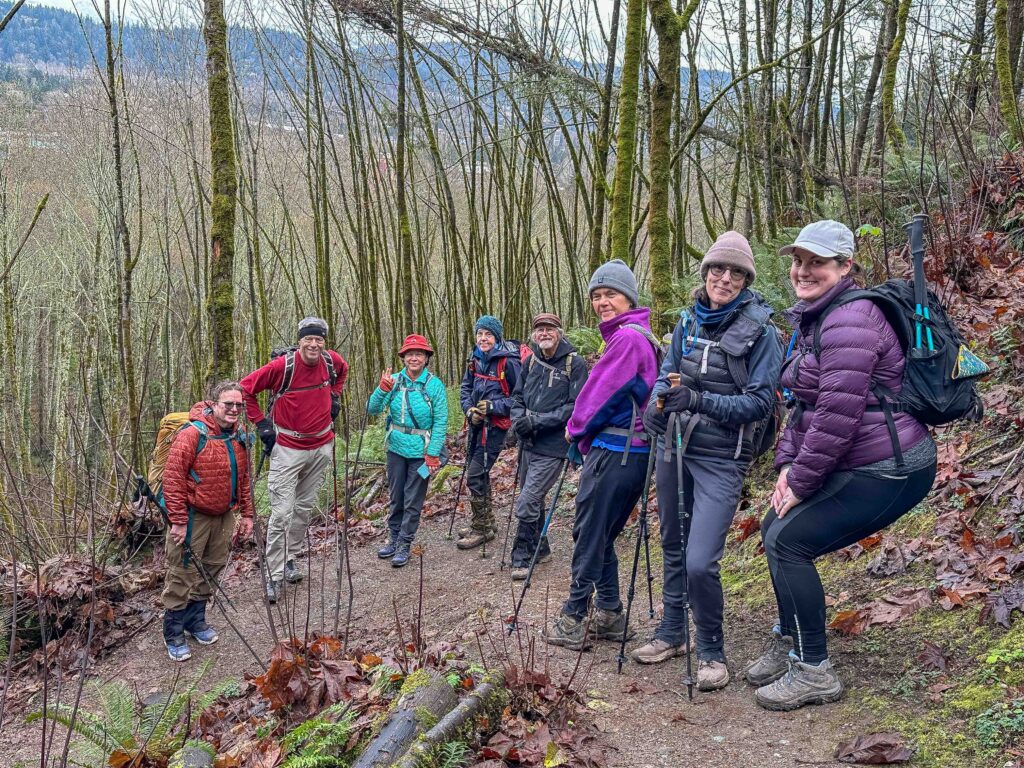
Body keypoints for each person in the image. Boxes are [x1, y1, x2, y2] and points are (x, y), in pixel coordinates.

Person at [749, 220, 937, 710]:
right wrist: (788, 467)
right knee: (774, 526)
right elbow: (805, 407)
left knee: (788, 542)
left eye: (817, 263)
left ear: (845, 266)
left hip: (892, 466)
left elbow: (837, 416)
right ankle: (790, 638)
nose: (802, 271)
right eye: (798, 261)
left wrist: (803, 481)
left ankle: (814, 670)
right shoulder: (817, 316)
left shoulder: (850, 321)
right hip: (859, 456)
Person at [637, 231, 783, 691]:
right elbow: (665, 378)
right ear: (706, 273)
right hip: (674, 448)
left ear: (745, 279)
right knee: (672, 545)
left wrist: (697, 401)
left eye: (735, 272)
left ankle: (713, 650)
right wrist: (655, 410)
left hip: (722, 458)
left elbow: (761, 403)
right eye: (717, 269)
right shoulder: (686, 321)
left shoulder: (762, 332)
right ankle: (672, 632)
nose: (724, 278)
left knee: (701, 559)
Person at [543, 259, 660, 650]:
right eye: (596, 295)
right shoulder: (637, 336)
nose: (602, 302)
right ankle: (610, 612)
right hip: (633, 453)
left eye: (611, 294)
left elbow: (600, 394)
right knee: (602, 532)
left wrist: (575, 429)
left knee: (590, 531)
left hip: (617, 451)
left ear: (629, 298)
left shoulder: (627, 339)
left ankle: (573, 616)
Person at [240, 316, 349, 603]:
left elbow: (343, 372)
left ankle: (289, 558)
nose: (314, 344)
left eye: (319, 339)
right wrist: (261, 423)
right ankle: (273, 576)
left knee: (302, 509)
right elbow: (245, 389)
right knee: (281, 514)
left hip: (322, 445)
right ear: (299, 341)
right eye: (308, 339)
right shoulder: (281, 367)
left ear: (324, 342)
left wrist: (334, 397)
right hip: (288, 447)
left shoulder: (331, 361)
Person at [161, 381, 255, 662]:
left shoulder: (239, 436)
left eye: (239, 405)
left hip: (224, 514)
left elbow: (246, 478)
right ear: (213, 404)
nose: (234, 409)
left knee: (212, 567)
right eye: (228, 404)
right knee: (182, 570)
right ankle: (173, 632)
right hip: (193, 516)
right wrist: (178, 520)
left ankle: (195, 621)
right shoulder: (192, 435)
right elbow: (173, 478)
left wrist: (248, 514)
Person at [508, 313, 588, 580]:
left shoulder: (574, 364)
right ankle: (541, 548)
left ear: (559, 332)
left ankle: (522, 554)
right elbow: (517, 396)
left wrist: (538, 421)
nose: (544, 333)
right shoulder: (530, 362)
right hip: (528, 442)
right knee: (533, 497)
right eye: (539, 330)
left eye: (549, 329)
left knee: (528, 498)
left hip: (554, 445)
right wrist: (519, 420)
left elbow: (575, 406)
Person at [367, 334, 449, 567]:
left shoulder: (434, 385)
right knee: (396, 497)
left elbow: (441, 421)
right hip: (395, 448)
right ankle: (393, 538)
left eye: (419, 354)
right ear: (403, 357)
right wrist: (382, 390)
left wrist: (433, 453)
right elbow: (372, 409)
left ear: (426, 358)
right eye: (410, 354)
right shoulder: (393, 381)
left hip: (422, 452)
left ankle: (404, 542)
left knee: (413, 499)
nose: (414, 358)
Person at [456, 315, 522, 550]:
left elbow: (520, 398)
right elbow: (466, 389)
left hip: (496, 428)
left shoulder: (509, 362)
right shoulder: (475, 358)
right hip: (476, 424)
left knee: (476, 473)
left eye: (488, 334)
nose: (483, 339)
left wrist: (494, 407)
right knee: (477, 472)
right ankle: (485, 521)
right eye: (480, 334)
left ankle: (482, 529)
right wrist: (469, 410)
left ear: (497, 337)